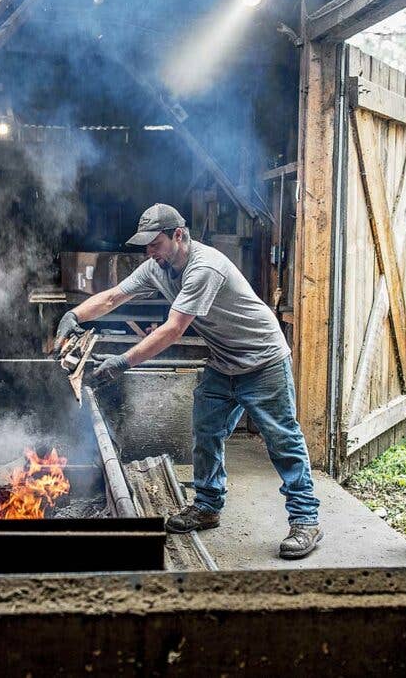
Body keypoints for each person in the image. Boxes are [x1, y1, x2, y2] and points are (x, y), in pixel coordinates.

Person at [56, 203, 322, 559]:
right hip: (224, 361)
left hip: (263, 360)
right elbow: (115, 296)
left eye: (155, 243)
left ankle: (306, 520)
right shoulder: (158, 266)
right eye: (146, 246)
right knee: (206, 431)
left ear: (178, 235)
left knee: (282, 440)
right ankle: (208, 506)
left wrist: (121, 361)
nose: (150, 252)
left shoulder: (203, 267)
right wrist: (74, 315)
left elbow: (173, 329)